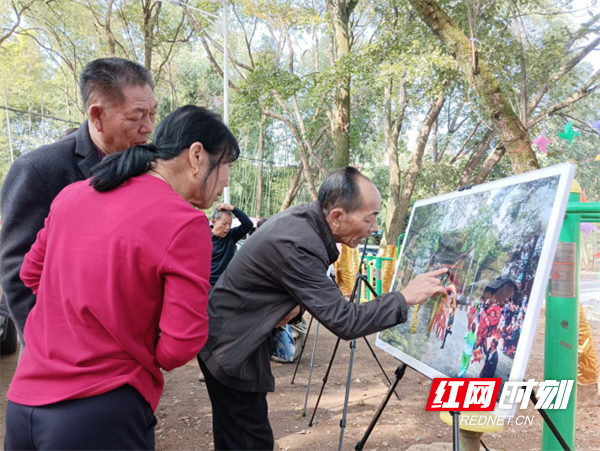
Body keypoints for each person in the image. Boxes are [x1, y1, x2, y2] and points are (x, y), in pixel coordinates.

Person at [4, 106, 239, 451]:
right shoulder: (184, 223)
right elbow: (179, 346)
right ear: (197, 155)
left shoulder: (74, 194)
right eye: (226, 165)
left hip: (24, 405)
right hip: (102, 413)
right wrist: (126, 335)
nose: (227, 181)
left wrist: (79, 317)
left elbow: (30, 273)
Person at [198, 166, 447, 451]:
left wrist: (294, 307)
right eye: (370, 218)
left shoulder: (303, 220)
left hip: (230, 339)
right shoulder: (300, 242)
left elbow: (282, 288)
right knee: (248, 442)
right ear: (337, 216)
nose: (375, 228)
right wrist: (404, 298)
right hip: (232, 349)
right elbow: (346, 321)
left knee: (238, 437)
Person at [0, 57, 157, 340]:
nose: (148, 128)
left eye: (153, 114)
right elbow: (17, 271)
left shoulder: (147, 170)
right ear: (96, 115)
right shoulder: (39, 169)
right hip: (61, 347)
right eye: (136, 116)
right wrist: (46, 343)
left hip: (123, 340)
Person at [209, 204, 254, 287]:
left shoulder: (232, 235)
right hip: (208, 284)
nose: (227, 228)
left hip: (226, 283)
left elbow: (248, 225)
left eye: (230, 224)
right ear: (214, 222)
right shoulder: (204, 238)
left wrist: (233, 209)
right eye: (224, 224)